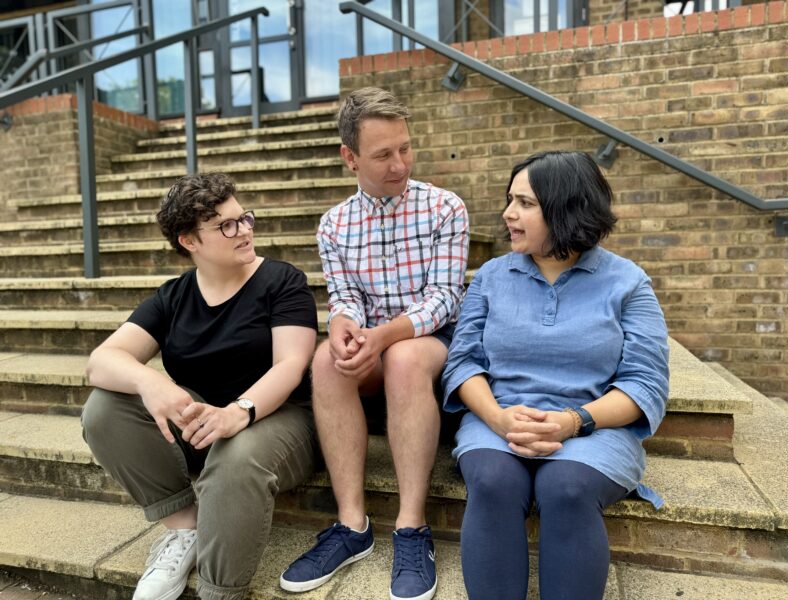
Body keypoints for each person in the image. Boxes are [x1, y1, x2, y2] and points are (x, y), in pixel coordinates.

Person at [441, 151, 670, 600]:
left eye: (525, 203)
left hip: (595, 425)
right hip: (499, 419)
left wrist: (573, 421)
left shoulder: (627, 282)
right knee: (493, 481)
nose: (508, 213)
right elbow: (463, 362)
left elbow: (644, 383)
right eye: (509, 200)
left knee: (565, 487)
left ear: (566, 209)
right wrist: (498, 419)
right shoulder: (490, 277)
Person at [81, 172, 319, 600]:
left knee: (236, 457)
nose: (244, 230)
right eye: (227, 225)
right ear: (190, 241)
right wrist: (148, 381)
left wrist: (238, 412)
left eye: (244, 217)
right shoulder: (174, 297)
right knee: (103, 408)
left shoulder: (282, 282)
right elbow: (100, 362)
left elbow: (291, 364)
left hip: (280, 423)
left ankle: (220, 591)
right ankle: (184, 526)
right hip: (203, 423)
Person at [279, 87, 469, 600]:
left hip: (428, 340)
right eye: (384, 154)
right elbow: (345, 296)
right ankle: (352, 525)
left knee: (404, 357)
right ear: (350, 158)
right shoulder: (334, 225)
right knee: (325, 358)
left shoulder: (445, 208)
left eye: (405, 148)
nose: (400, 164)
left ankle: (411, 528)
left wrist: (384, 335)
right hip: (372, 341)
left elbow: (445, 298)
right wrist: (342, 323)